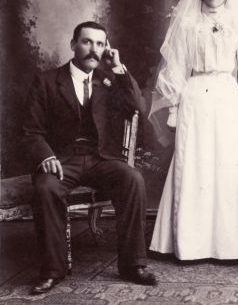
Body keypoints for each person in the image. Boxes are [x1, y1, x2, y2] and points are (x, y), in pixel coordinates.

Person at [148, 0, 238, 260]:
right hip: (195, 96)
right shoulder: (188, 22)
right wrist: (174, 106)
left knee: (229, 167)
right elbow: (175, 66)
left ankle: (230, 245)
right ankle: (190, 244)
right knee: (195, 165)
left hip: (228, 97)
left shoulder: (237, 22)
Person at [23, 21, 158, 295]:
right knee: (45, 187)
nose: (93, 50)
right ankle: (52, 270)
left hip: (100, 159)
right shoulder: (48, 81)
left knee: (132, 179)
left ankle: (133, 265)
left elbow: (137, 108)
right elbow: (30, 131)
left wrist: (119, 68)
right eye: (86, 42)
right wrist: (45, 155)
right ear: (73, 45)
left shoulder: (108, 81)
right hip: (62, 160)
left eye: (99, 44)